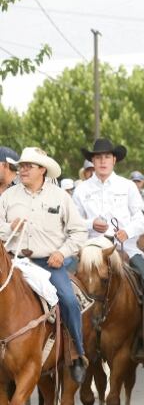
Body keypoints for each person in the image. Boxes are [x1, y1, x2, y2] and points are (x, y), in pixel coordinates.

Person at [0, 148, 88, 382]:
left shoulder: (60, 197)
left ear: (43, 170)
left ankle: (76, 352)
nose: (23, 169)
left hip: (48, 263)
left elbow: (79, 231)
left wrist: (62, 252)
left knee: (69, 301)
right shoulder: (8, 196)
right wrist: (9, 229)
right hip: (14, 263)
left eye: (30, 165)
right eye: (22, 165)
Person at [74, 138, 144, 358]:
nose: (103, 161)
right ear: (93, 161)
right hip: (91, 250)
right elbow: (73, 221)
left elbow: (141, 219)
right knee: (67, 287)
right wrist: (90, 223)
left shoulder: (128, 186)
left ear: (114, 160)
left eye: (107, 157)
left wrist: (126, 232)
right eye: (98, 157)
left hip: (126, 247)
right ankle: (71, 343)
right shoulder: (82, 189)